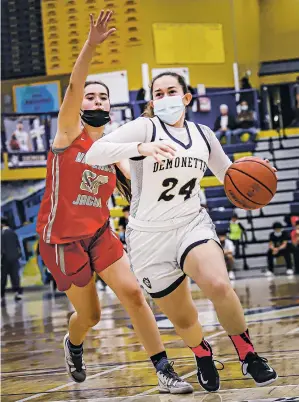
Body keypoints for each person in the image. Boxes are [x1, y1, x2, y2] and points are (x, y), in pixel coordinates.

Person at [86, 71, 278, 392]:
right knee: (186, 321)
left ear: (186, 97)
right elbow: (94, 153)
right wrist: (139, 148)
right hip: (149, 238)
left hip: (191, 224)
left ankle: (248, 355)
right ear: (151, 101)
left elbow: (229, 174)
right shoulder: (146, 128)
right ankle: (202, 353)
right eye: (157, 94)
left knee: (218, 284)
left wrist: (257, 178)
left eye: (170, 91)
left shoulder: (203, 135)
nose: (164, 98)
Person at [36, 11, 192, 394]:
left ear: (110, 105)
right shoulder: (68, 133)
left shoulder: (111, 149)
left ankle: (165, 371)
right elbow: (73, 87)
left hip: (100, 234)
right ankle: (73, 344)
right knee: (90, 315)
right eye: (91, 95)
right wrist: (90, 45)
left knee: (135, 295)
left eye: (102, 96)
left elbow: (141, 179)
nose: (95, 99)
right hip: (62, 241)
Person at [1, 217, 23, 306]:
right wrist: (18, 256)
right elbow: (18, 246)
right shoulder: (13, 233)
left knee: (3, 278)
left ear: (2, 224)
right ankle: (17, 294)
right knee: (15, 277)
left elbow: (1, 248)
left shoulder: (2, 234)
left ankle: (2, 296)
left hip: (5, 260)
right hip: (14, 259)